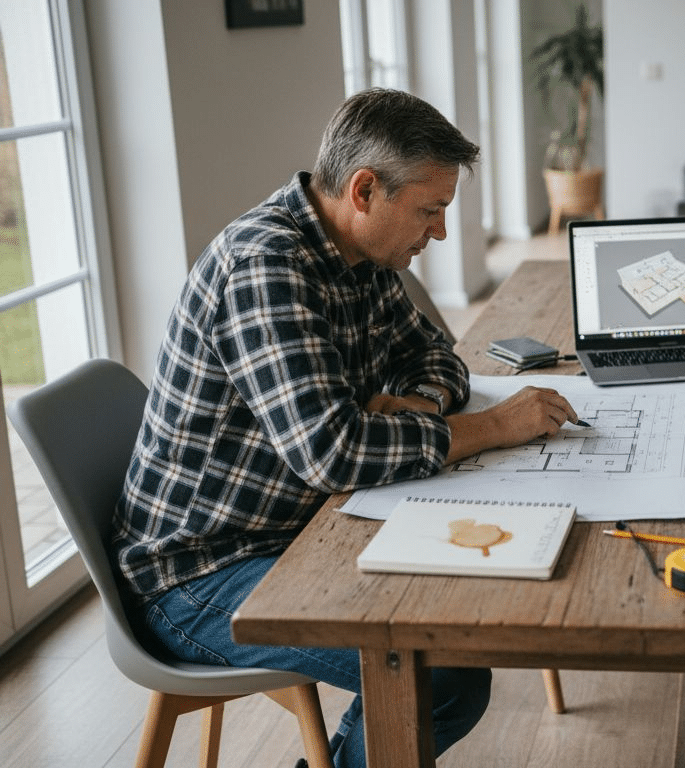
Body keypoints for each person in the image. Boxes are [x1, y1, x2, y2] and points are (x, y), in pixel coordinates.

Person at [112, 88, 579, 768]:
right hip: (199, 573)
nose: (440, 231)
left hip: (303, 523)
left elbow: (435, 356)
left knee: (466, 615)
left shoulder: (361, 254)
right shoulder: (266, 267)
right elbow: (333, 454)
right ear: (364, 191)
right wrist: (493, 427)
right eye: (430, 209)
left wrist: (421, 404)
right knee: (443, 675)